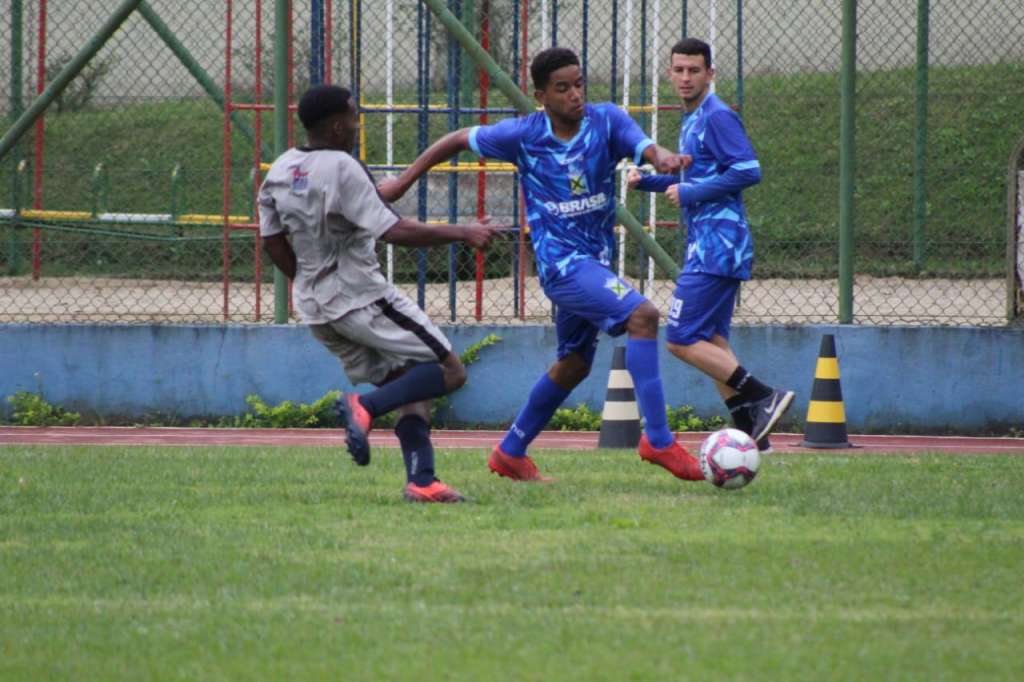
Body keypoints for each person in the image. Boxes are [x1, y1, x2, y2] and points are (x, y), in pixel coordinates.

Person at [379, 47, 703, 483]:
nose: (575, 95)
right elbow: (457, 139)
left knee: (574, 364)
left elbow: (643, 144)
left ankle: (510, 451)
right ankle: (659, 440)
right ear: (541, 96)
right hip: (562, 267)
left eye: (579, 83)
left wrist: (661, 157)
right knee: (642, 316)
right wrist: (402, 180)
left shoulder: (605, 121)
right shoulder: (523, 135)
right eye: (562, 88)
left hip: (595, 263)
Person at [258, 84, 502, 503]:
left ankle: (423, 480)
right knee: (450, 373)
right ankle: (365, 407)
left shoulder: (282, 168)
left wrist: (310, 280)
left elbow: (273, 240)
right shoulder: (344, 167)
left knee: (410, 384)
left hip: (317, 309)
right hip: (362, 297)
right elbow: (394, 231)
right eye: (354, 116)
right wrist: (464, 231)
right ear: (337, 126)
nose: (357, 124)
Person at [627, 38, 793, 452]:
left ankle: (763, 396)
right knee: (712, 341)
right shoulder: (694, 117)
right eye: (679, 70)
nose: (685, 78)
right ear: (670, 73)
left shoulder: (717, 116)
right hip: (709, 245)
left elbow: (748, 170)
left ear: (710, 74)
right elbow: (695, 178)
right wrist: (647, 181)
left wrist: (692, 194)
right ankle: (751, 428)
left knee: (681, 337)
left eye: (694, 70)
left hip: (719, 246)